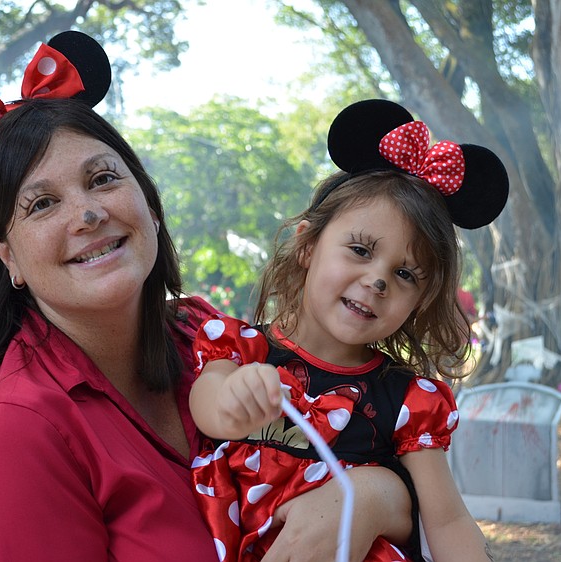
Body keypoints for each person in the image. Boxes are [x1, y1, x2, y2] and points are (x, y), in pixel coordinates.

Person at [0, 33, 415, 561]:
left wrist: (372, 494)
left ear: (149, 202)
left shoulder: (208, 337)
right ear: (6, 254)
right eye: (41, 205)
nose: (86, 214)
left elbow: (343, 459)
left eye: (103, 179)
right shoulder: (15, 426)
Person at [188, 99, 509, 562]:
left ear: (420, 301)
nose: (377, 280)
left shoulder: (408, 400)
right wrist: (235, 398)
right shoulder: (240, 349)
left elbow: (447, 519)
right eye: (360, 250)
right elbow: (209, 409)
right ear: (307, 245)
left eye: (405, 274)